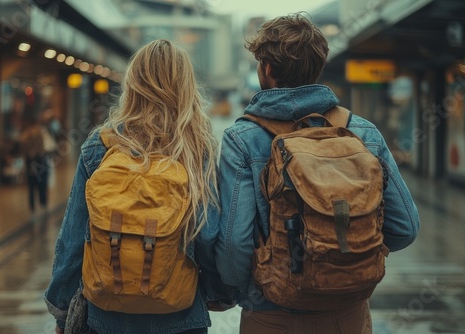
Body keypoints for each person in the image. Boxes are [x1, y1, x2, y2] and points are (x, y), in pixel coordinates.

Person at [215, 12, 420, 334]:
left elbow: (233, 246)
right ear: (319, 66)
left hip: (272, 315)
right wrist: (349, 263)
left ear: (266, 70)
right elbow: (404, 227)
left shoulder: (243, 139)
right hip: (347, 315)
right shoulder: (362, 132)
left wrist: (252, 294)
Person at [45, 39, 226, 334]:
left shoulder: (100, 146)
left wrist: (61, 309)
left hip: (106, 317)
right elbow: (207, 234)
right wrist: (217, 292)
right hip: (180, 315)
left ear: (133, 85)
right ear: (186, 88)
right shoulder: (195, 149)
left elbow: (73, 238)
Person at [20, 116, 50, 213]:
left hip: (30, 162)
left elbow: (23, 151)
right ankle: (43, 203)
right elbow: (43, 148)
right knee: (42, 183)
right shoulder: (40, 133)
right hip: (40, 161)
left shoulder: (24, 135)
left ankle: (32, 206)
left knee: (31, 186)